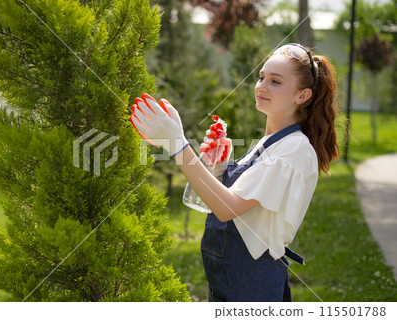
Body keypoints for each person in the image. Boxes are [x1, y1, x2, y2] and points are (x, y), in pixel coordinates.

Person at [129, 43, 339, 302]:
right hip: (228, 284)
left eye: (275, 81)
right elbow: (239, 206)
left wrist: (177, 144)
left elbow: (227, 208)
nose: (261, 87)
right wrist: (218, 167)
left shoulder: (294, 150)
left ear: (302, 96)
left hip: (252, 289)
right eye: (261, 77)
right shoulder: (270, 143)